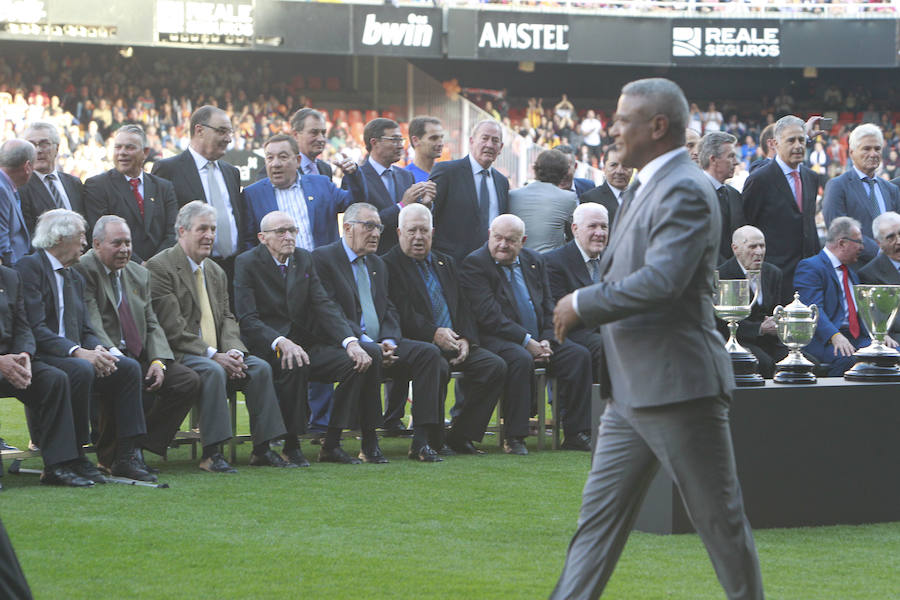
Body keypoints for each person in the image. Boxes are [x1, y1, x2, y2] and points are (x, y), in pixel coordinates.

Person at [550, 78, 763, 600]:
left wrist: (581, 303)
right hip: (629, 394)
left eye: (623, 119)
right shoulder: (645, 186)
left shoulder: (687, 189)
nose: (612, 128)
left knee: (720, 525)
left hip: (679, 389)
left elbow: (662, 283)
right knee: (595, 527)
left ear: (657, 126)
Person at [145, 201, 289, 473]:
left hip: (217, 353)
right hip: (180, 354)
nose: (210, 235)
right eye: (202, 229)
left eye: (213, 229)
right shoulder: (160, 267)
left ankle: (263, 449)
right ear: (182, 231)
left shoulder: (215, 271)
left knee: (258, 368)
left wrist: (234, 350)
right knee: (212, 371)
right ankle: (213, 453)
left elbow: (227, 318)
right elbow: (172, 328)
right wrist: (214, 355)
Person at [234, 210, 381, 466]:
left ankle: (332, 442)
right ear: (262, 238)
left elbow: (323, 304)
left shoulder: (303, 259)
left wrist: (351, 342)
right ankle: (291, 445)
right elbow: (248, 319)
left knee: (357, 362)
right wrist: (281, 341)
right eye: (281, 232)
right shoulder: (247, 262)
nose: (289, 237)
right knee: (294, 362)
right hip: (268, 346)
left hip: (306, 343)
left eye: (292, 230)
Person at [16, 209, 153, 482]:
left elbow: (86, 329)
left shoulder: (74, 276)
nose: (84, 243)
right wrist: (78, 352)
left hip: (73, 354)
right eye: (80, 236)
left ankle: (125, 456)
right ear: (59, 238)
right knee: (80, 369)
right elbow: (35, 328)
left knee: (126, 368)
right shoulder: (29, 268)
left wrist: (101, 351)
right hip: (43, 355)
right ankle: (75, 456)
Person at [313, 203, 445, 462]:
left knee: (429, 353)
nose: (375, 233)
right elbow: (329, 311)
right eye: (369, 226)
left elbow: (389, 309)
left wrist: (390, 340)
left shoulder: (378, 264)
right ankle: (370, 441)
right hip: (340, 344)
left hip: (379, 343)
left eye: (378, 227)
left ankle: (421, 441)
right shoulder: (323, 258)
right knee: (370, 352)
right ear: (347, 227)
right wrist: (363, 341)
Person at [460, 214, 593, 455]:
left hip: (538, 338)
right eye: (498, 237)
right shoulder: (475, 264)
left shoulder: (535, 261)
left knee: (578, 355)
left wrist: (546, 339)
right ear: (489, 235)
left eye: (510, 240)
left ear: (523, 241)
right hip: (496, 338)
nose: (502, 244)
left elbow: (547, 306)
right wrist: (526, 341)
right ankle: (515, 436)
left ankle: (576, 432)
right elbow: (490, 315)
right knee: (519, 359)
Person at [73, 215, 198, 470]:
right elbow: (92, 321)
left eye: (128, 243)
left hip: (139, 353)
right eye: (116, 243)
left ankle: (136, 446)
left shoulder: (139, 273)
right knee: (125, 372)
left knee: (187, 381)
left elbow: (152, 322)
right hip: (103, 351)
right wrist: (115, 355)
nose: (125, 250)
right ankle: (116, 455)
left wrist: (158, 361)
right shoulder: (84, 269)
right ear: (96, 244)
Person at [383, 203, 506, 454]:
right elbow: (401, 313)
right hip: (419, 345)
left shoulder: (445, 262)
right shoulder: (388, 265)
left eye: (424, 231)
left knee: (494, 366)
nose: (418, 237)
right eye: (411, 231)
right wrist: (433, 334)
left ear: (433, 232)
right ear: (399, 233)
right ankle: (431, 439)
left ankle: (461, 435)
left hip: (454, 342)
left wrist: (467, 339)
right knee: (435, 365)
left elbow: (463, 306)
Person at [0, 260, 90, 486]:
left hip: (13, 361)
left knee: (54, 379)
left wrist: (25, 355)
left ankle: (57, 466)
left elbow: (23, 327)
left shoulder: (10, 277)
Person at [151, 105, 249, 280]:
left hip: (235, 270)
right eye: (221, 131)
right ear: (199, 130)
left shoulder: (231, 172)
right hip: (190, 272)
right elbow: (160, 223)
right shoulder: (169, 169)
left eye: (230, 133)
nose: (228, 139)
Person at [743, 115, 821, 303]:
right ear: (775, 144)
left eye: (802, 140)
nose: (798, 145)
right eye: (791, 140)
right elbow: (746, 225)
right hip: (773, 279)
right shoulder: (760, 179)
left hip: (808, 277)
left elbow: (808, 225)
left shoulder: (811, 177)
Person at [242, 134, 364, 250]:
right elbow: (248, 241)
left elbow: (355, 204)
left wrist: (353, 175)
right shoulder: (252, 195)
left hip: (322, 268)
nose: (275, 164)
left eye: (283, 157)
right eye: (270, 158)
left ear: (298, 160)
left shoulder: (322, 184)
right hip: (278, 270)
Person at [794, 216, 875, 376]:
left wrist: (879, 336)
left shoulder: (851, 272)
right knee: (848, 359)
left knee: (892, 352)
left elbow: (861, 312)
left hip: (856, 337)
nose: (862, 247)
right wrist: (834, 335)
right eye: (859, 242)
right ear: (842, 243)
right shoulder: (810, 267)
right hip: (824, 340)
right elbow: (813, 310)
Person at [84, 125, 178, 262]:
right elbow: (101, 235)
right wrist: (139, 266)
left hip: (160, 272)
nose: (122, 152)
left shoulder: (164, 188)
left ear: (145, 152)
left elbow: (172, 233)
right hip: (119, 272)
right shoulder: (97, 186)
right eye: (118, 147)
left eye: (130, 147)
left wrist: (155, 265)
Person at [545, 203, 609, 382]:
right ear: (575, 229)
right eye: (592, 226)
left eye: (604, 226)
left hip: (607, 330)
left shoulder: (613, 259)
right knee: (607, 346)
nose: (600, 233)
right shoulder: (554, 262)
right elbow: (561, 311)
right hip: (574, 333)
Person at [430, 119, 509, 262]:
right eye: (484, 138)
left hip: (491, 264)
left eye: (495, 140)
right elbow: (430, 215)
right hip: (452, 264)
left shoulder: (502, 182)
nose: (489, 145)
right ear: (472, 141)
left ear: (501, 147)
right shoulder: (447, 172)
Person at [823, 123, 900, 266]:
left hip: (891, 273)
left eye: (877, 149)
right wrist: (880, 252)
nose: (873, 154)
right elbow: (838, 230)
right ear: (851, 152)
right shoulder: (838, 186)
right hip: (856, 271)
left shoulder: (891, 189)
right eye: (866, 149)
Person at [717, 226, 788, 378]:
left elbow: (775, 309)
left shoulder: (773, 273)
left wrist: (775, 321)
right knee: (764, 364)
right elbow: (720, 322)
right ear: (736, 249)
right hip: (739, 338)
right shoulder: (723, 275)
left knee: (805, 364)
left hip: (770, 340)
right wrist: (759, 328)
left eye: (762, 246)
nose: (759, 252)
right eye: (752, 246)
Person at [19, 122, 85, 233]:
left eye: (44, 144)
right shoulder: (21, 187)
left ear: (57, 148)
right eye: (32, 145)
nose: (38, 150)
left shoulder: (74, 183)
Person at [509, 149, 577, 253]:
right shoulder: (568, 198)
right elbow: (574, 234)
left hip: (519, 262)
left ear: (535, 169)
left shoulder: (513, 195)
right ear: (564, 172)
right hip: (550, 263)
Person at [699, 131, 747, 263]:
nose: (736, 162)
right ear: (713, 159)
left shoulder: (734, 195)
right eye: (731, 156)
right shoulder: (694, 194)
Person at [859, 211, 900, 339]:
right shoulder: (869, 274)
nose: (898, 241)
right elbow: (881, 318)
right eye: (891, 237)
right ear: (879, 243)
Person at [290, 108, 359, 180]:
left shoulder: (325, 169)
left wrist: (350, 176)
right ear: (296, 135)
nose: (321, 139)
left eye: (323, 133)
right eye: (314, 132)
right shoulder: (286, 169)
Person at [0, 139, 33, 266]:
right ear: (27, 167)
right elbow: (2, 243)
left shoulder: (8, 187)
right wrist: (15, 275)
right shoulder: (1, 189)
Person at [578, 148, 630, 228]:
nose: (619, 171)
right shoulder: (591, 199)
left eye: (625, 165)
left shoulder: (641, 196)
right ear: (604, 168)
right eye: (613, 165)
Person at [405, 116, 444, 183]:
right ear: (415, 141)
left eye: (442, 137)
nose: (441, 143)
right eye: (434, 138)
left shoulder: (446, 173)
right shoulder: (404, 177)